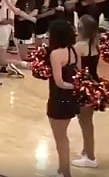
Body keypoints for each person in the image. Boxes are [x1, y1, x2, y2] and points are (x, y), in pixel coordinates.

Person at [46, 19, 79, 177]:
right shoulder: (73, 51)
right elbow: (79, 74)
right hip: (71, 100)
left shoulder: (55, 54)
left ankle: (66, 173)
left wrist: (73, 87)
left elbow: (59, 82)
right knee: (62, 137)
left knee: (61, 139)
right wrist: (77, 88)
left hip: (58, 99)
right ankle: (61, 170)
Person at [71, 15, 101, 169]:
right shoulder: (95, 44)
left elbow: (78, 71)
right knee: (87, 121)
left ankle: (90, 157)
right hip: (95, 84)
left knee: (85, 123)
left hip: (84, 87)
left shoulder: (79, 47)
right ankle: (86, 151)